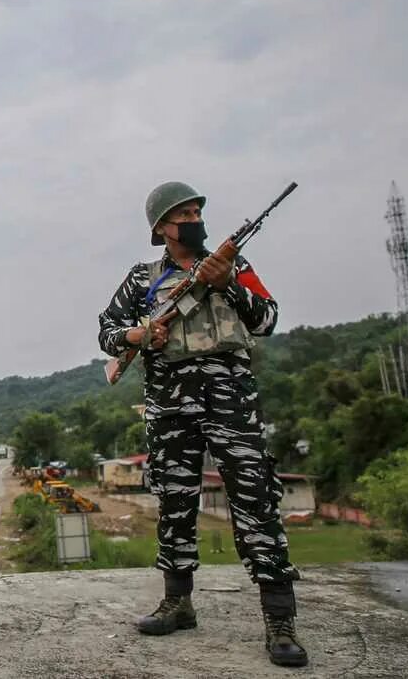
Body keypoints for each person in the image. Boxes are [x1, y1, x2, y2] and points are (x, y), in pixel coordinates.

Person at [97, 181, 307, 668]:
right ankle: (178, 602)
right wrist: (140, 333)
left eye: (196, 210)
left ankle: (280, 619)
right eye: (183, 213)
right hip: (170, 403)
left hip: (232, 397)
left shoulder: (235, 267)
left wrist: (226, 283)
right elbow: (107, 332)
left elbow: (267, 319)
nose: (194, 219)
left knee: (256, 501)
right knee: (174, 501)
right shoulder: (141, 279)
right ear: (161, 229)